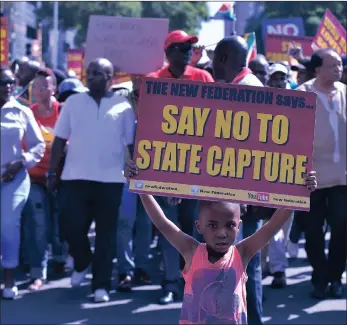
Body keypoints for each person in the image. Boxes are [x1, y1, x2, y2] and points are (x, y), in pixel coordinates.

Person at [125, 161, 317, 324]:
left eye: (230, 225)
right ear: (199, 227)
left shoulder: (242, 253)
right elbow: (163, 224)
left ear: (239, 225)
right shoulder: (191, 251)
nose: (221, 233)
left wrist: (299, 192)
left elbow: (272, 226)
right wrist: (140, 187)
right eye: (212, 225)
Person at [47, 58, 135, 303]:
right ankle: (82, 260)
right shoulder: (73, 102)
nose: (93, 76)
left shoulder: (123, 106)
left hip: (110, 182)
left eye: (99, 73)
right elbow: (59, 140)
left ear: (110, 78)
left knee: (106, 236)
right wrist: (52, 172)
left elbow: (131, 144)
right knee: (70, 225)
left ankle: (101, 286)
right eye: (91, 72)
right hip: (74, 178)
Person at [146, 30, 214, 305]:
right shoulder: (153, 82)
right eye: (181, 47)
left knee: (195, 229)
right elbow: (149, 131)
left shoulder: (203, 79)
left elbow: (214, 124)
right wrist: (166, 178)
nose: (187, 51)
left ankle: (194, 283)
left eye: (190, 47)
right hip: (165, 168)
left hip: (197, 169)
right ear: (168, 51)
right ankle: (171, 283)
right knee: (168, 229)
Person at [212, 35, 264, 324]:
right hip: (239, 195)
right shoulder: (241, 86)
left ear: (221, 59)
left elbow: (250, 150)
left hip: (241, 197)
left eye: (212, 59)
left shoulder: (246, 90)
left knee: (243, 266)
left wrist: (241, 197)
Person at [296, 48, 346, 299]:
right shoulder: (301, 95)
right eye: (333, 65)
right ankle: (319, 277)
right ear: (317, 69)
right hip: (310, 179)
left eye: (340, 65)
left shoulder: (346, 93)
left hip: (342, 177)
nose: (339, 69)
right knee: (313, 232)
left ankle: (335, 277)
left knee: (342, 227)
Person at [1, 67, 45, 299]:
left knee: (9, 226)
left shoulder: (21, 111)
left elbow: (38, 145)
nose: (7, 87)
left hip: (14, 179)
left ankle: (9, 280)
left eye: (10, 83)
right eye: (2, 83)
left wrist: (21, 162)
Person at [22, 69, 68, 291]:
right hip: (35, 178)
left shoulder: (63, 112)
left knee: (61, 221)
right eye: (36, 86)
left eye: (44, 86)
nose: (39, 91)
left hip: (62, 177)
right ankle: (37, 272)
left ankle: (60, 258)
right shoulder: (27, 114)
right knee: (38, 222)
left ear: (54, 89)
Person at [114, 75, 153, 291]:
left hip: (150, 172)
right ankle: (125, 270)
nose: (141, 79)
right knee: (125, 221)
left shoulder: (159, 98)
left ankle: (142, 266)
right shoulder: (120, 99)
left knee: (146, 222)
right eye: (137, 75)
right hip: (126, 169)